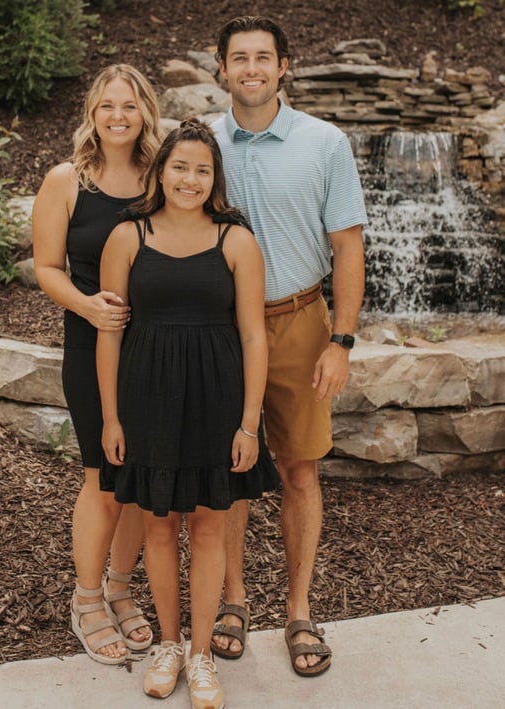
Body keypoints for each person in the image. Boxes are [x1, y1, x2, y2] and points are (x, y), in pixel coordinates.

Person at [97, 118, 277, 709]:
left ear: (214, 178)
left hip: (216, 399)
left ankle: (201, 656)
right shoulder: (128, 236)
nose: (190, 178)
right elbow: (109, 334)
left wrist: (249, 423)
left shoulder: (236, 241)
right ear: (161, 171)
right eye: (180, 167)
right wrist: (111, 418)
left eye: (202, 169)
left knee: (207, 525)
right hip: (146, 396)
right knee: (156, 525)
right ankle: (167, 645)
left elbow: (254, 336)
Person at [210, 16, 367, 677]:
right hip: (218, 329)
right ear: (220, 69)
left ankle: (299, 609)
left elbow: (348, 246)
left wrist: (341, 341)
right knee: (228, 471)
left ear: (283, 67)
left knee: (300, 469)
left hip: (300, 320)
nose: (250, 68)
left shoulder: (323, 143)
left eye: (262, 58)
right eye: (238, 58)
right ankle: (233, 600)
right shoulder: (199, 143)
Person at [31, 64, 162, 664]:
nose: (118, 116)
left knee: (137, 482)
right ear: (93, 111)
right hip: (91, 345)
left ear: (145, 114)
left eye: (129, 106)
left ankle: (119, 587)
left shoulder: (161, 179)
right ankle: (86, 600)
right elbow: (47, 268)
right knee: (103, 477)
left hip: (156, 349)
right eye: (108, 105)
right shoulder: (65, 181)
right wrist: (89, 307)